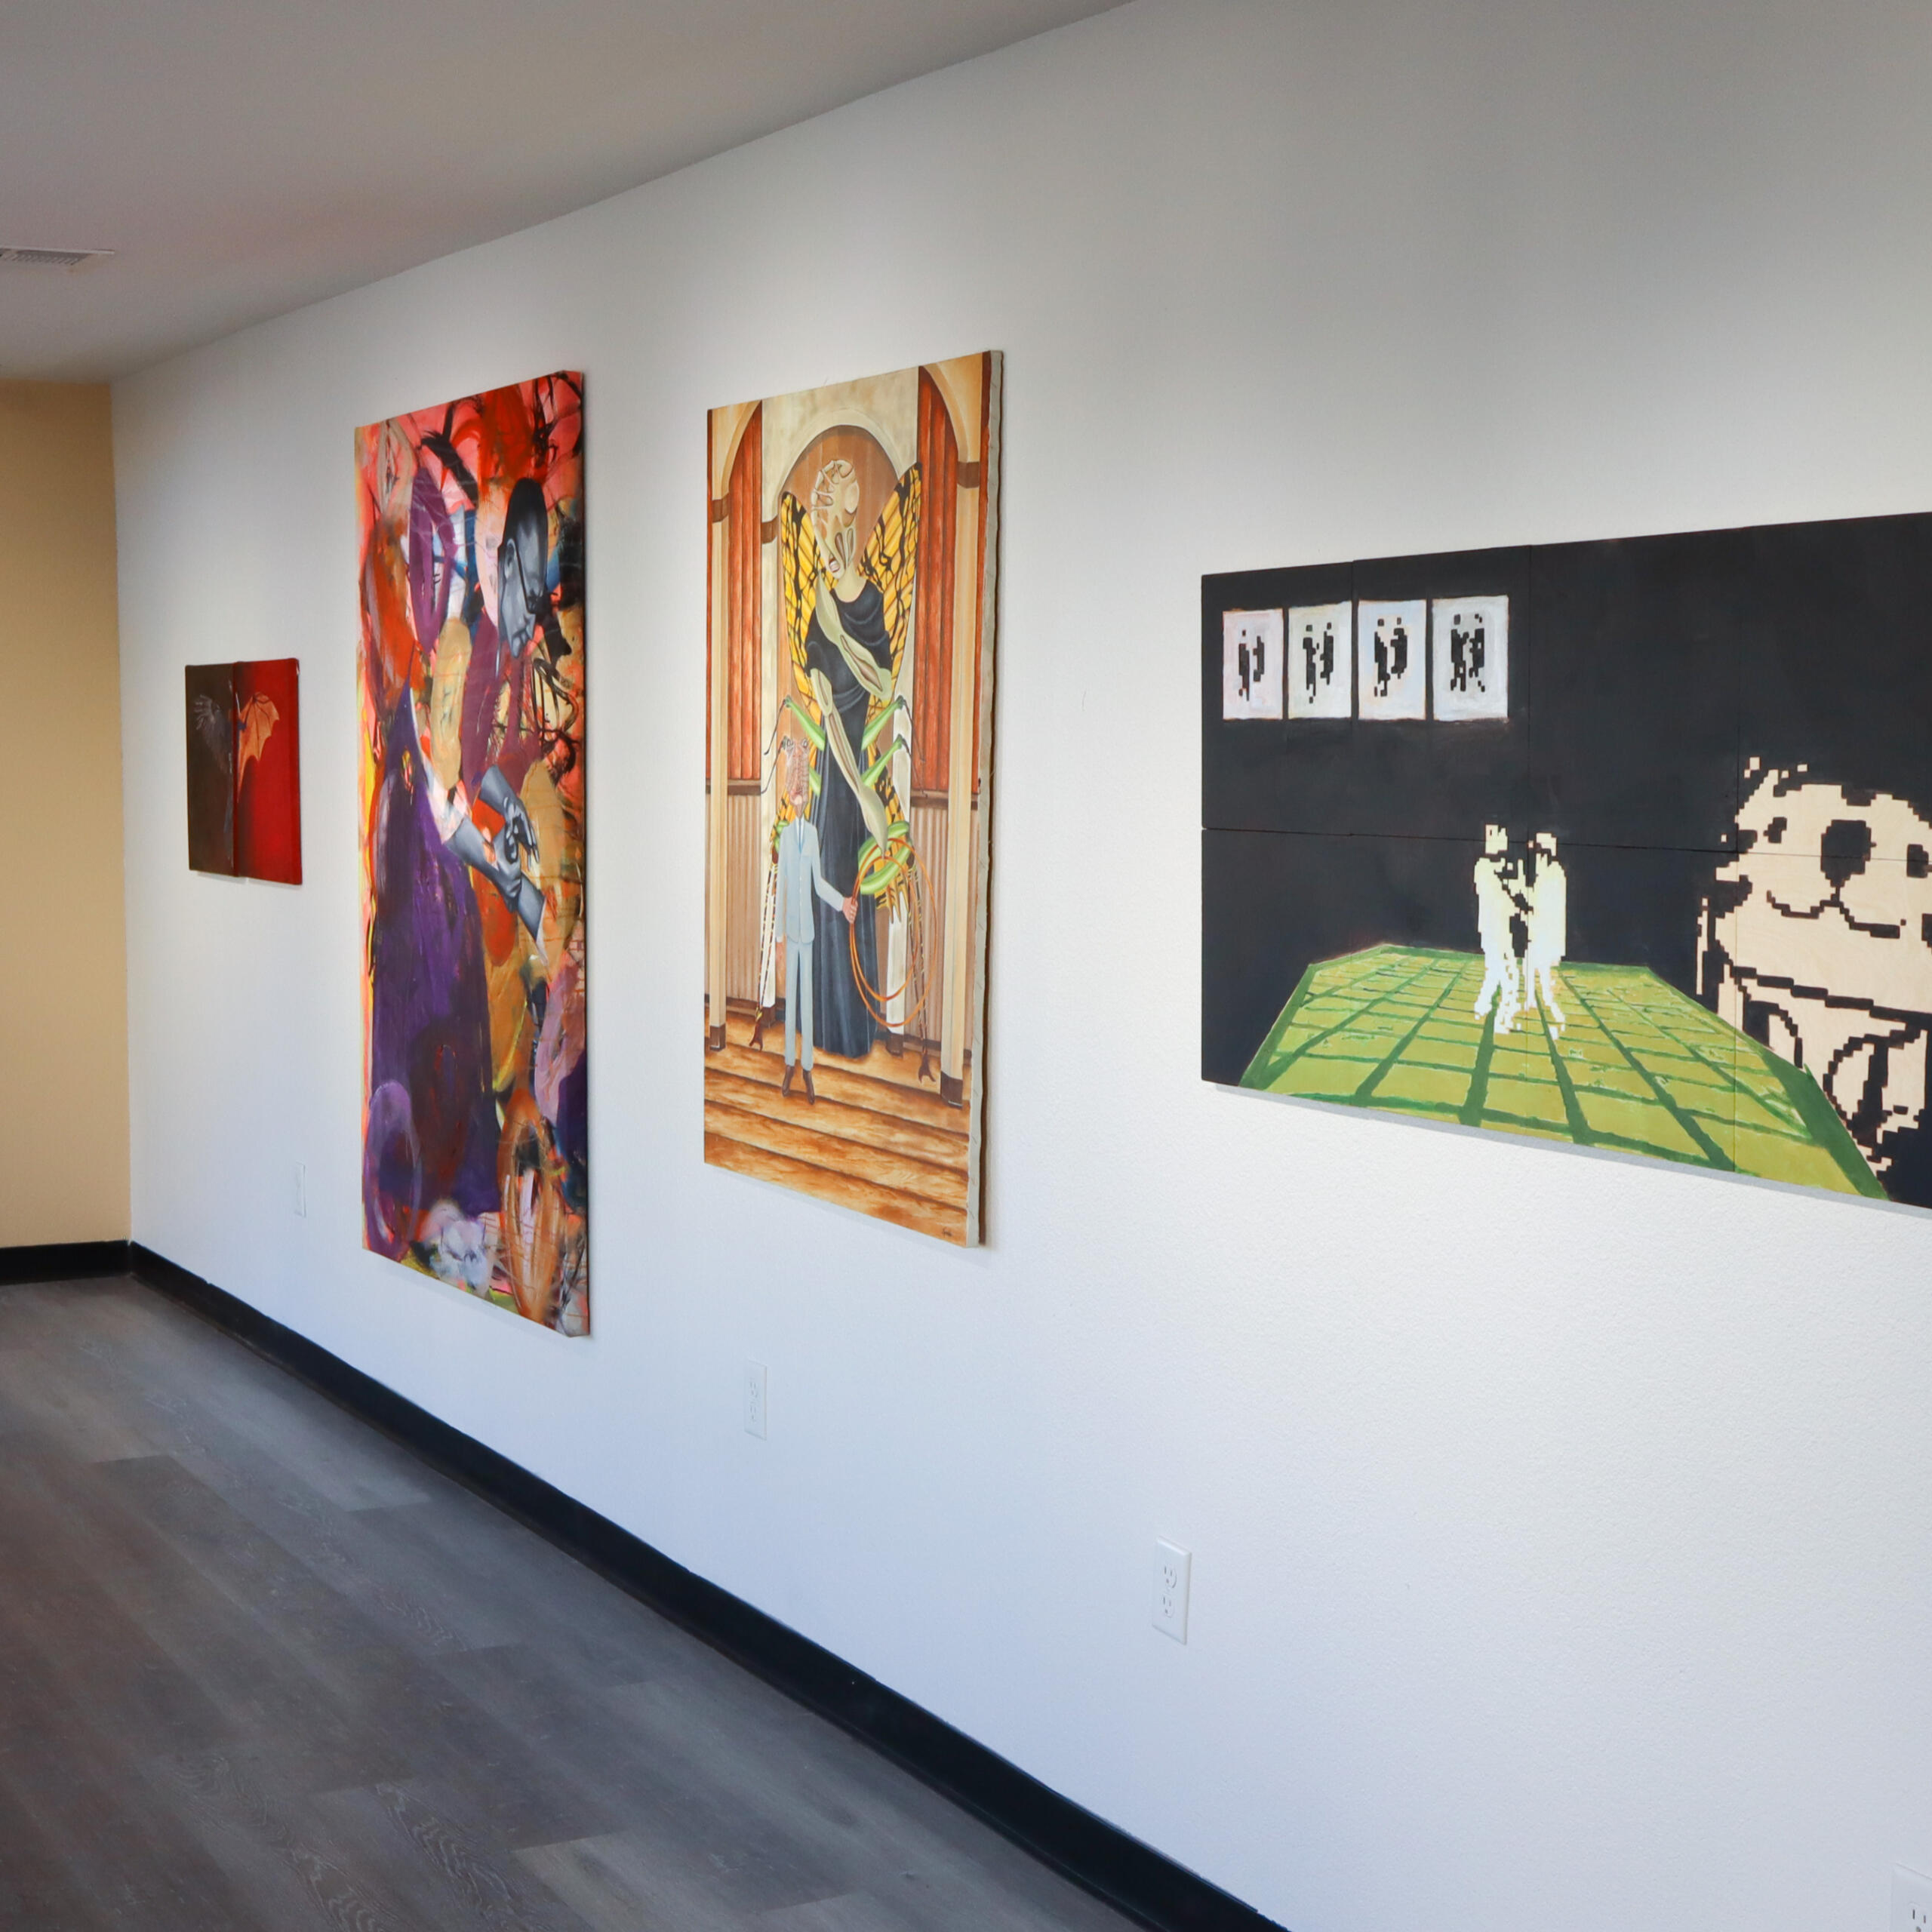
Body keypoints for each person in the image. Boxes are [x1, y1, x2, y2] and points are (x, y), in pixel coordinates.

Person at [774, 738, 858, 1102]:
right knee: (790, 1003)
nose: (797, 797)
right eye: (793, 791)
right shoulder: (783, 837)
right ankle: (789, 1065)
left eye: (802, 791)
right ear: (789, 794)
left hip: (807, 933)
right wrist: (777, 936)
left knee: (806, 1001)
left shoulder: (811, 835)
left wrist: (843, 904)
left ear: (806, 796)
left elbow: (818, 883)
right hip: (789, 932)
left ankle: (807, 1068)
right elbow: (783, 887)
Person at [1472, 823, 1527, 1032]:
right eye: (1502, 834)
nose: (1505, 839)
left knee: (1498, 972)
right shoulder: (1484, 867)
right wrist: (1518, 909)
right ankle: (1503, 1018)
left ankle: (1485, 1007)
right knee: (1506, 973)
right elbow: (1499, 897)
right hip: (1493, 929)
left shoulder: (1493, 867)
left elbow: (1508, 893)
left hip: (1499, 929)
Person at [1523, 832, 1567, 1029]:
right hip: (1541, 931)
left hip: (1545, 932)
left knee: (1538, 966)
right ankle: (1535, 999)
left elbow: (1543, 903)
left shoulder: (1554, 873)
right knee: (1533, 965)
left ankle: (1544, 1001)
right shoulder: (1549, 873)